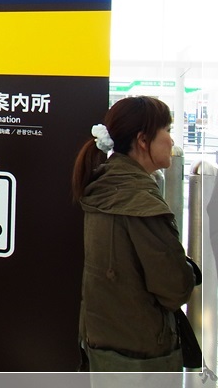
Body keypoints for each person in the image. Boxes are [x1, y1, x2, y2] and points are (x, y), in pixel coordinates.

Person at [72, 96, 198, 372]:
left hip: (103, 346)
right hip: (142, 359)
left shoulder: (103, 186)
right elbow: (176, 289)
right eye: (167, 129)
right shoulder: (140, 203)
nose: (171, 141)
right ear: (143, 140)